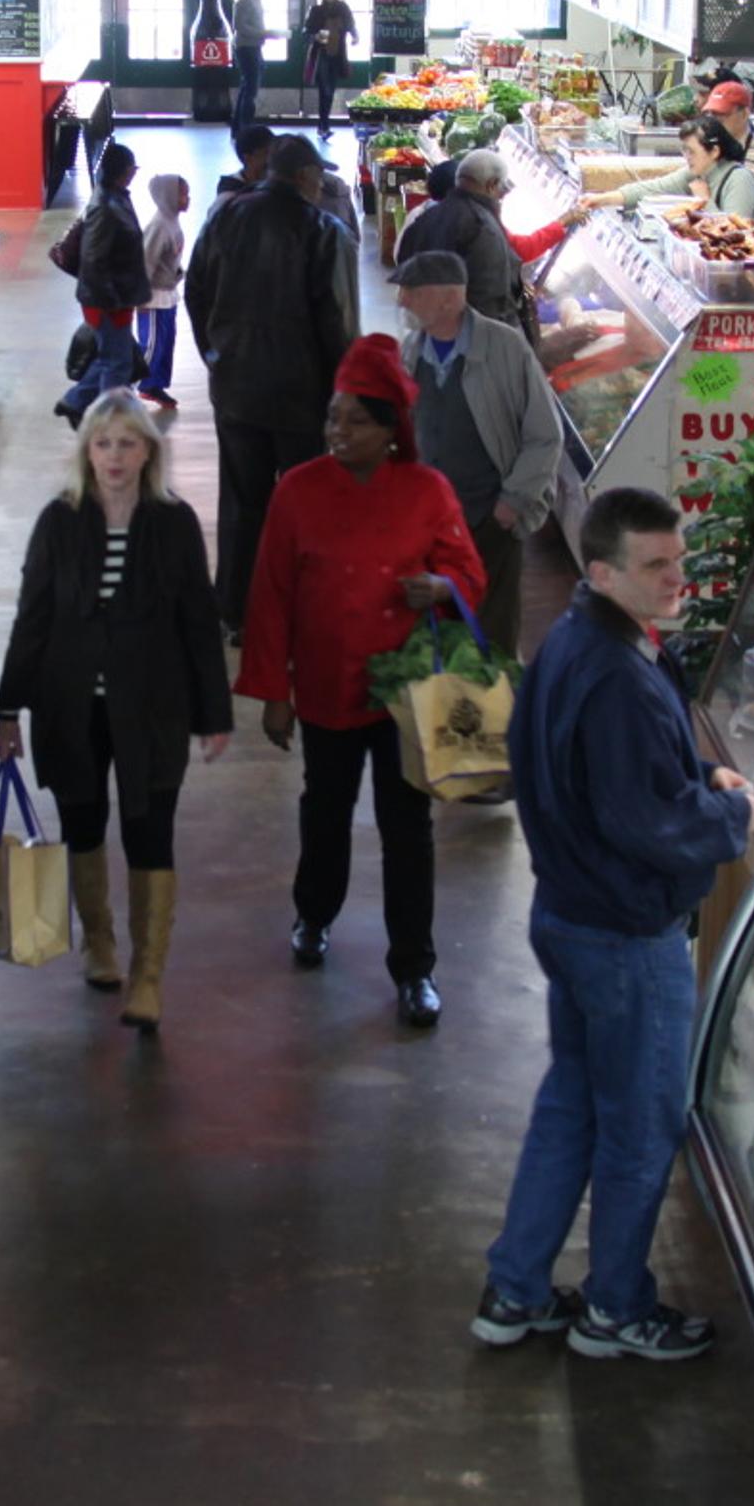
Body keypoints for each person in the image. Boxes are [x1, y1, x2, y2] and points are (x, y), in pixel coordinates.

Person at [473, 485, 754, 1361]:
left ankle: (516, 1290)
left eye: (679, 559)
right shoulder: (616, 677)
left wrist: (693, 776)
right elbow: (648, 823)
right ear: (600, 570)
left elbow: (614, 783)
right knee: (640, 1123)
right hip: (627, 935)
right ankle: (616, 1309)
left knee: (572, 1105)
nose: (677, 578)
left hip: (566, 914)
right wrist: (732, 814)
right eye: (655, 566)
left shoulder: (571, 639)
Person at [237, 335, 489, 1028]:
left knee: (407, 826)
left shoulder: (426, 491)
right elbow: (270, 596)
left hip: (405, 690)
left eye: (354, 421)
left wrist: (439, 585)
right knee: (325, 810)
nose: (336, 432)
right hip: (324, 686)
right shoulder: (298, 491)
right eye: (332, 418)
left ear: (389, 431)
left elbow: (469, 574)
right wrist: (275, 693)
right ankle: (313, 912)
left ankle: (415, 966)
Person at [0, 393, 233, 1033]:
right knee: (84, 824)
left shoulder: (174, 523)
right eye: (104, 444)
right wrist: (7, 708)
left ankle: (148, 977)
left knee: (151, 829)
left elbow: (199, 625)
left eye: (128, 443)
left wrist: (214, 712)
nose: (115, 456)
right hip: (68, 705)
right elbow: (33, 617)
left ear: (149, 451)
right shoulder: (59, 520)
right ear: (86, 451)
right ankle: (99, 944)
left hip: (153, 707)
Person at [185, 134, 358, 630]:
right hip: (304, 399)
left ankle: (236, 611)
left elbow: (195, 290)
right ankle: (304, 610)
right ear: (306, 178)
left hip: (236, 388)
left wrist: (216, 354)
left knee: (242, 501)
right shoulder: (325, 232)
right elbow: (339, 322)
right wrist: (344, 396)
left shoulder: (225, 217)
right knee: (307, 503)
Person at [393, 248, 562, 659]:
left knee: (493, 630)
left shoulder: (506, 349)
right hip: (430, 525)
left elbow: (545, 435)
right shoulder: (410, 351)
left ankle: (499, 714)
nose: (401, 301)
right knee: (435, 627)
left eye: (412, 291)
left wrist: (511, 503)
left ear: (449, 299)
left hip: (489, 519)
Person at [392, 148, 566, 343]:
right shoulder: (484, 229)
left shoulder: (422, 220)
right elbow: (491, 304)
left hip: (423, 339)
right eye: (502, 190)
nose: (501, 197)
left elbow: (404, 271)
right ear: (491, 185)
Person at [54, 141, 152, 424]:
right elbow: (95, 258)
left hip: (114, 296)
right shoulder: (106, 207)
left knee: (111, 355)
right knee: (118, 362)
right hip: (108, 300)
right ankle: (110, 419)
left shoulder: (114, 197)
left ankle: (75, 401)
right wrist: (111, 301)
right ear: (125, 171)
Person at [591, 113, 754, 225]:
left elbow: (737, 233)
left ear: (714, 151)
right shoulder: (696, 173)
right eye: (684, 150)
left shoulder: (739, 180)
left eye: (692, 151)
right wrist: (602, 199)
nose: (686, 157)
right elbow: (653, 188)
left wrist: (704, 200)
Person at [138, 171, 192, 411]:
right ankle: (139, 382)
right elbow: (146, 261)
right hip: (152, 298)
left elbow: (169, 259)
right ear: (169, 196)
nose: (187, 199)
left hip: (167, 296)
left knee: (165, 343)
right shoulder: (159, 225)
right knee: (151, 345)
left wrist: (179, 273)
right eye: (182, 194)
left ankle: (155, 384)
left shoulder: (171, 222)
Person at [297, 0, 357, 128]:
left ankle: (324, 122)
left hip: (337, 54)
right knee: (325, 89)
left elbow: (351, 24)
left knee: (331, 88)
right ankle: (324, 124)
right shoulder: (315, 11)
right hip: (321, 55)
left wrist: (355, 36)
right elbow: (305, 33)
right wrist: (314, 36)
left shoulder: (343, 8)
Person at [230, 0, 270, 99]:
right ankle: (245, 119)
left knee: (248, 85)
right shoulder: (244, 0)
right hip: (246, 48)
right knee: (251, 88)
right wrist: (261, 33)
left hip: (253, 46)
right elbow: (239, 25)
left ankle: (239, 119)